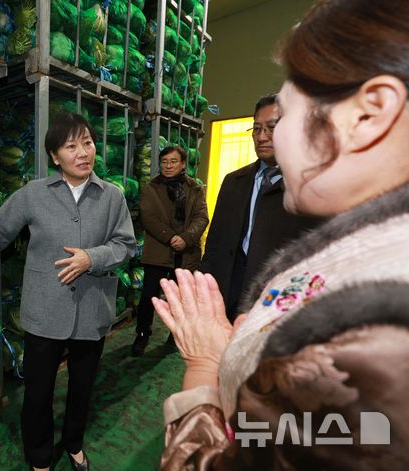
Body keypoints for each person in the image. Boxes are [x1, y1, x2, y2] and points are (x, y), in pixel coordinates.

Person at [153, 0, 409, 468]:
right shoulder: (366, 246)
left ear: (369, 114)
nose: (272, 137)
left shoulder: (384, 328)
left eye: (286, 116)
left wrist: (207, 366)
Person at [0, 112, 136, 471]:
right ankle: (39, 458)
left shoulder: (112, 197)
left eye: (88, 143)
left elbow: (126, 245)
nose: (83, 153)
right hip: (45, 312)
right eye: (71, 146)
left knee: (81, 388)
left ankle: (74, 443)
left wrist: (91, 258)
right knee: (38, 393)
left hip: (92, 312)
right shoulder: (33, 194)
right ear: (54, 156)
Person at [200, 94, 318, 321]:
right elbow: (215, 242)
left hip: (273, 299)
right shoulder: (234, 181)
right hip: (228, 287)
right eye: (256, 129)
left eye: (272, 128)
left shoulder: (307, 186)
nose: (261, 137)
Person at [131, 145, 208, 356]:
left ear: (183, 164)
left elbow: (202, 217)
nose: (168, 166)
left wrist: (186, 238)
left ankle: (175, 335)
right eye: (164, 162)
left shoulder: (195, 189)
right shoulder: (150, 188)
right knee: (149, 297)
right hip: (158, 251)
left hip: (186, 253)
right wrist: (170, 237)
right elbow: (148, 217)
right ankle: (142, 334)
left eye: (173, 161)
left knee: (181, 298)